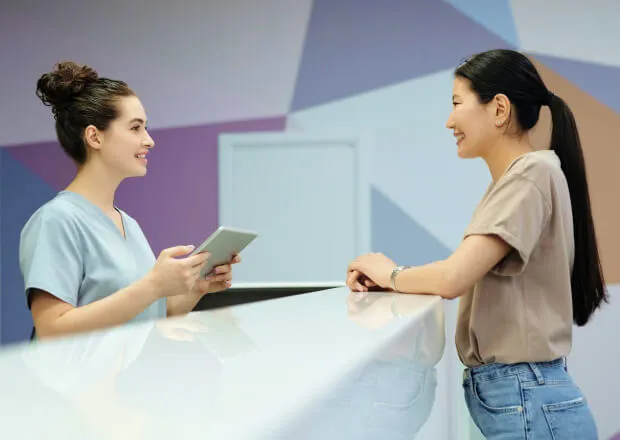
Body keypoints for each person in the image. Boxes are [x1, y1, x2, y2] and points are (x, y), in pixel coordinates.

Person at [346, 49, 606, 439]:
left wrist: (391, 273)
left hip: (526, 397)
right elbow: (462, 268)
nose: (449, 120)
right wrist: (395, 279)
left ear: (499, 109)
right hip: (525, 396)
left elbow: (454, 278)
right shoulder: (521, 178)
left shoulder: (530, 174)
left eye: (456, 103)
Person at [20, 61, 240, 340]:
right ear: (94, 136)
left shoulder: (128, 224)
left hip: (124, 382)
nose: (149, 141)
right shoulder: (57, 220)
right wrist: (153, 285)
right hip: (80, 384)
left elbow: (148, 314)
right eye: (135, 128)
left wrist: (197, 287)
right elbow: (52, 328)